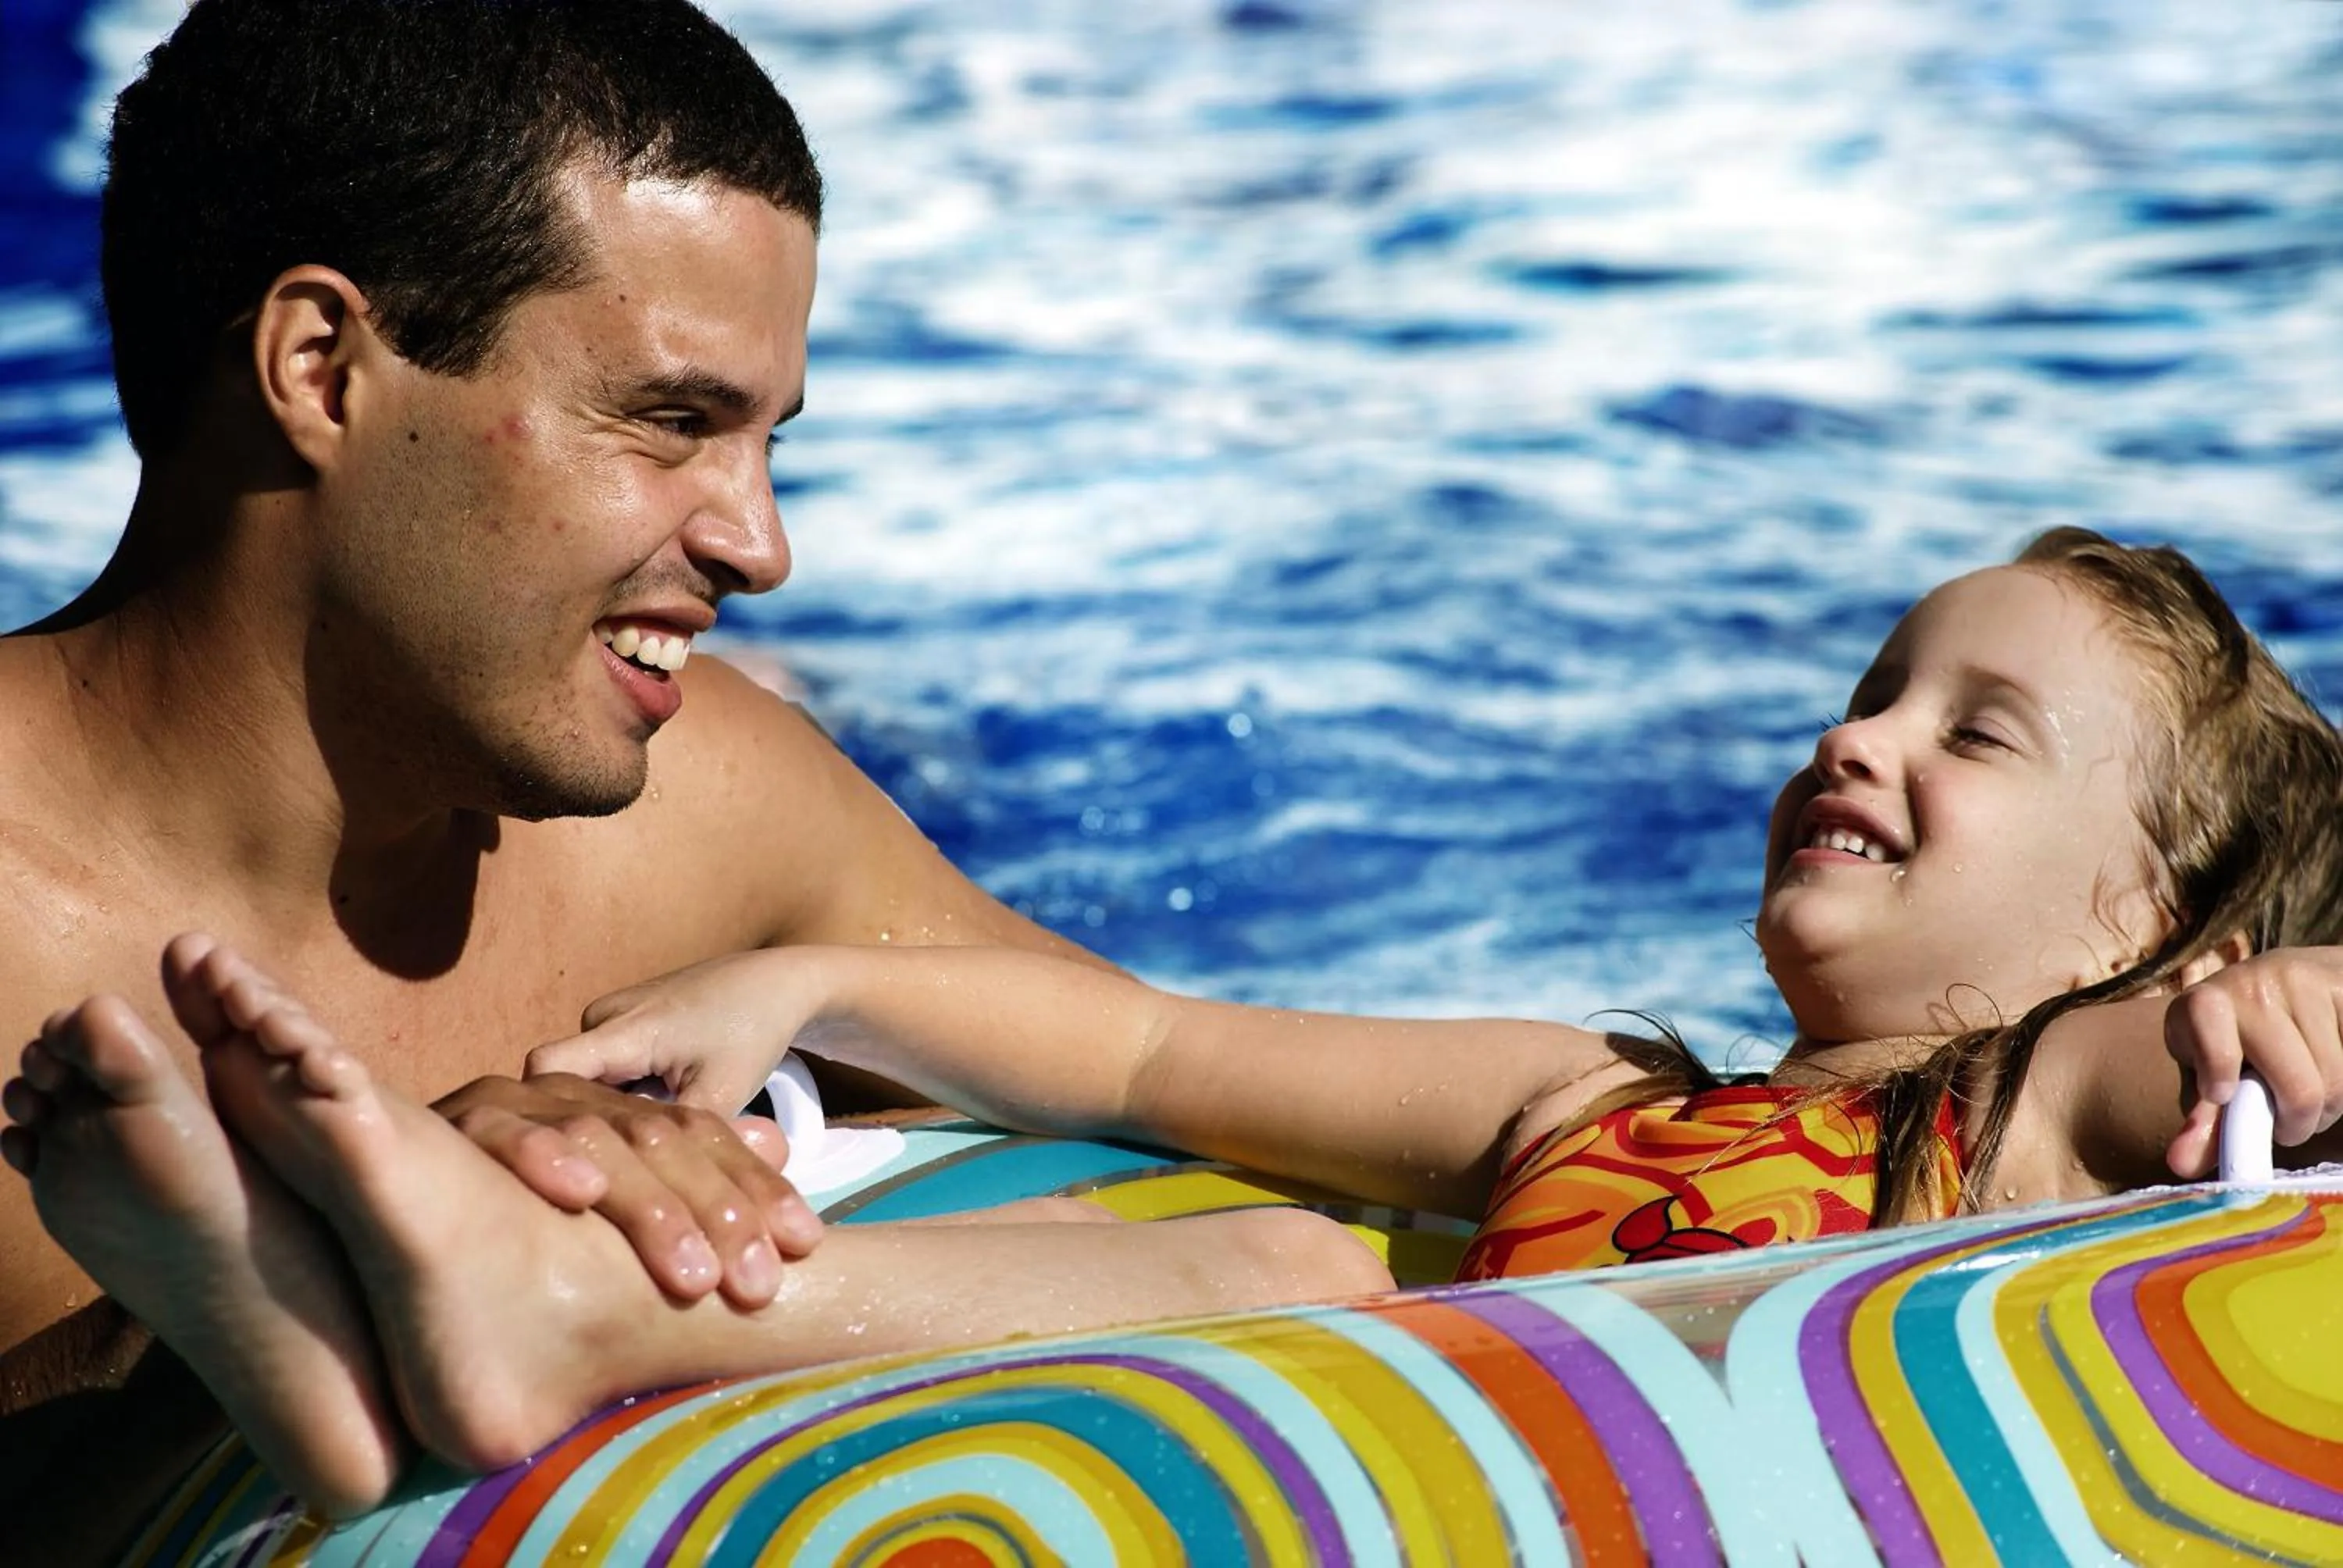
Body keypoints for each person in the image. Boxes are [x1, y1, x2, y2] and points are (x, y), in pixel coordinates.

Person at [16, 529, 2343, 1520]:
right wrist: (817, 982)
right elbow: (1142, 1058)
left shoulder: (2078, 1089)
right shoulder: (1593, 1098)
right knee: (1286, 1251)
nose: (1863, 739)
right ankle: (411, 1301)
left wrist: (2301, 1007)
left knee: (1327, 1270)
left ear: (2151, 918)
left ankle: (482, 1300)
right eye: (1874, 688)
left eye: (1974, 735)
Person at [0, 0, 1117, 1554]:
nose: (763, 546)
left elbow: (1186, 1097)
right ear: (322, 370)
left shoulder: (710, 817)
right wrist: (337, 1241)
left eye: (768, 442)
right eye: (669, 421)